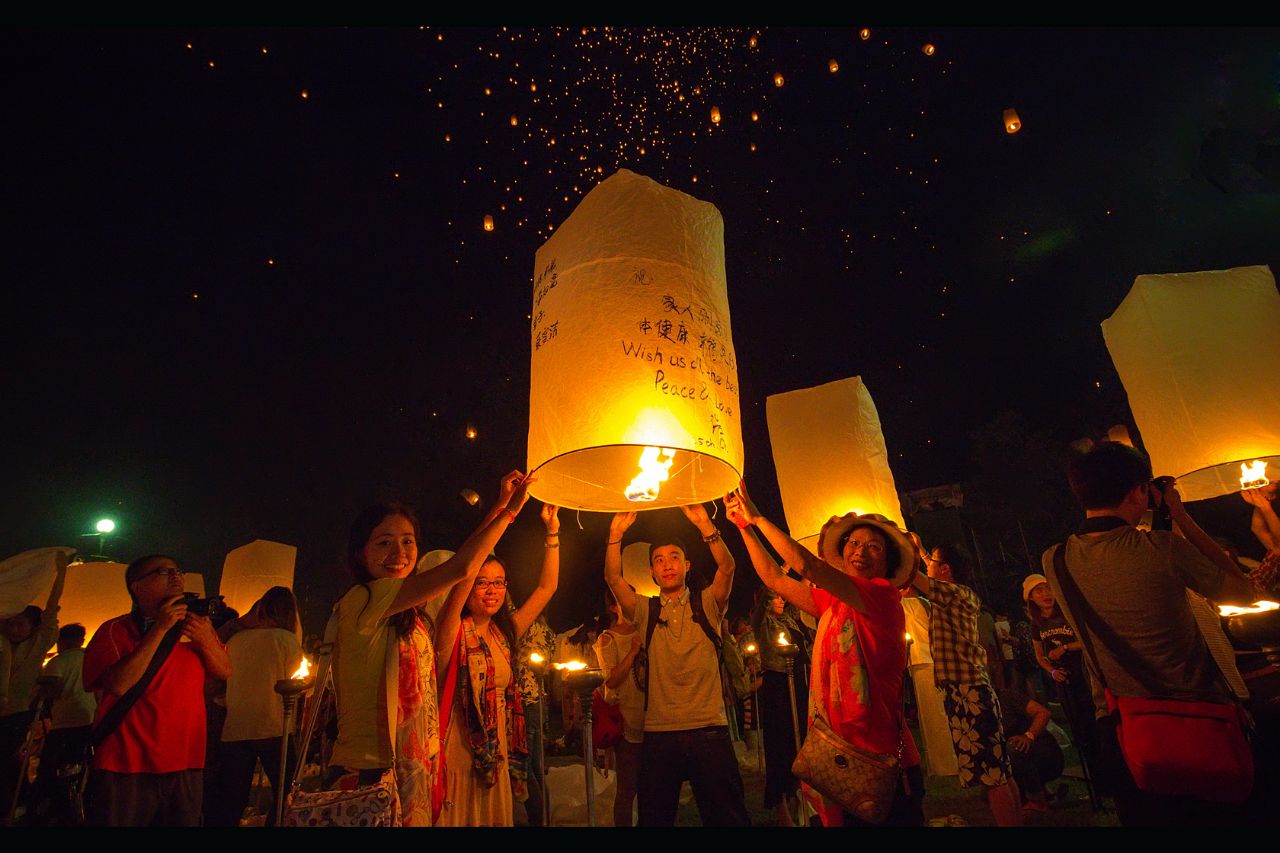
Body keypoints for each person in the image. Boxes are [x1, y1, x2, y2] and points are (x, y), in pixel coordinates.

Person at [1041, 443, 1255, 826]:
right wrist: (1180, 515)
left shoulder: (1055, 559)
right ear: (1138, 492)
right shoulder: (1163, 547)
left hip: (1125, 729)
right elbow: (1241, 590)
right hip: (1199, 726)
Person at [329, 471, 535, 827]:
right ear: (360, 553)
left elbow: (462, 578)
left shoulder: (410, 613)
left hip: (409, 765)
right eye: (384, 543)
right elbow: (463, 567)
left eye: (408, 542)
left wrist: (500, 504)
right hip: (369, 768)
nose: (399, 553)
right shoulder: (363, 599)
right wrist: (509, 513)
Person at [726, 485, 924, 827]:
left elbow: (807, 565)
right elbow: (774, 576)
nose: (860, 551)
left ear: (887, 561)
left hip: (880, 761)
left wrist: (758, 517)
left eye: (873, 546)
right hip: (839, 752)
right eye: (854, 543)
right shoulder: (835, 603)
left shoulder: (881, 596)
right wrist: (745, 527)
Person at [604, 503, 750, 827]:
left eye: (673, 558)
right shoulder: (645, 612)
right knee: (655, 819)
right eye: (658, 560)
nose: (666, 565)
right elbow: (613, 578)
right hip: (660, 734)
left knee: (728, 819)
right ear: (652, 573)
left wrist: (704, 526)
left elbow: (727, 567)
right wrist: (615, 536)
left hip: (709, 730)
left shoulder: (708, 603)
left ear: (686, 565)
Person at [81, 554, 232, 826]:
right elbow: (119, 683)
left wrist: (205, 638)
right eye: (163, 572)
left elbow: (225, 671)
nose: (176, 577)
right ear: (137, 587)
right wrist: (161, 628)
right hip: (126, 764)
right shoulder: (116, 630)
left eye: (178, 570)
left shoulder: (197, 627)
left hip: (186, 761)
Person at [435, 499, 560, 826]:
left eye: (499, 582)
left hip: (499, 757)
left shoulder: (504, 634)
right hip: (461, 759)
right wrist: (505, 512)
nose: (492, 590)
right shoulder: (451, 632)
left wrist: (552, 532)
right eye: (483, 582)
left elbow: (547, 588)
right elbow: (463, 572)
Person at [910, 543, 1022, 826]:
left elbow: (910, 576)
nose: (927, 565)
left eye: (932, 562)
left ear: (945, 569)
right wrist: (921, 549)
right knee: (1000, 770)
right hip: (971, 688)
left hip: (967, 692)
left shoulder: (951, 593)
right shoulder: (960, 592)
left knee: (992, 775)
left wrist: (900, 553)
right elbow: (927, 570)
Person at [207, 587, 302, 826]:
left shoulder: (236, 640)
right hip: (274, 725)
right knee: (287, 791)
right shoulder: (286, 640)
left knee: (232, 797)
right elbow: (297, 681)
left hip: (235, 728)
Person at [0, 551, 68, 815]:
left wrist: (60, 573)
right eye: (11, 623)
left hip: (16, 713)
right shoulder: (2, 643)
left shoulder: (39, 644)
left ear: (32, 627)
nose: (15, 628)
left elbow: (52, 607)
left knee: (6, 759)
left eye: (21, 624)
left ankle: (11, 807)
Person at [1022, 573, 1102, 788]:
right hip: (1064, 682)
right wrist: (1052, 672)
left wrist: (1065, 647)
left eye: (1048, 588)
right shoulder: (1037, 624)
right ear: (1030, 598)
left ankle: (1110, 778)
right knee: (1080, 729)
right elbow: (1040, 655)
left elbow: (1087, 641)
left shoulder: (1067, 614)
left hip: (1085, 675)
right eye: (1039, 591)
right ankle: (1096, 781)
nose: (1046, 593)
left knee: (1097, 725)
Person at [749, 588, 809, 825]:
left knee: (799, 743)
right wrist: (777, 573)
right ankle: (780, 804)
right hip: (777, 685)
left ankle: (800, 798)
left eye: (782, 596)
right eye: (776, 597)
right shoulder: (763, 623)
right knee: (780, 745)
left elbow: (800, 591)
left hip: (797, 683)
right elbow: (760, 609)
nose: (781, 600)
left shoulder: (790, 620)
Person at [27, 623, 97, 825]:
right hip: (89, 719)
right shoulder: (90, 658)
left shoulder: (59, 661)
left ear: (60, 641)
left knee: (50, 767)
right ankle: (73, 808)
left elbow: (49, 691)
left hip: (65, 721)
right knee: (79, 766)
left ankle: (42, 810)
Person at [595, 588, 644, 827]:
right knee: (628, 788)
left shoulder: (645, 630)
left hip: (653, 718)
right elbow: (611, 680)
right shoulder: (608, 639)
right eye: (623, 600)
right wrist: (633, 651)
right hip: (627, 723)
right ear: (614, 607)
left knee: (654, 787)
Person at [514, 611, 556, 826]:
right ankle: (543, 818)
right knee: (537, 763)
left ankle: (537, 818)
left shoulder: (525, 628)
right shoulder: (548, 632)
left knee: (527, 763)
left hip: (525, 698)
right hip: (539, 699)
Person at [996, 682, 1064, 812]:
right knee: (990, 793)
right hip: (1017, 759)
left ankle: (1037, 799)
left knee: (1014, 748)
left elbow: (1043, 713)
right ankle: (1042, 791)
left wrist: (1028, 736)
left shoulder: (1007, 696)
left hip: (1044, 752)